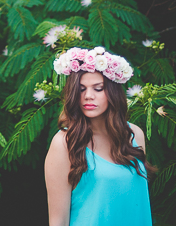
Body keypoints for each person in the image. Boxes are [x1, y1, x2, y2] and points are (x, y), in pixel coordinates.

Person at [45, 47, 153, 226]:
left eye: (98, 88)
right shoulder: (64, 143)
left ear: (113, 93)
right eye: (81, 89)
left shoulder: (134, 135)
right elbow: (58, 221)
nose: (88, 96)